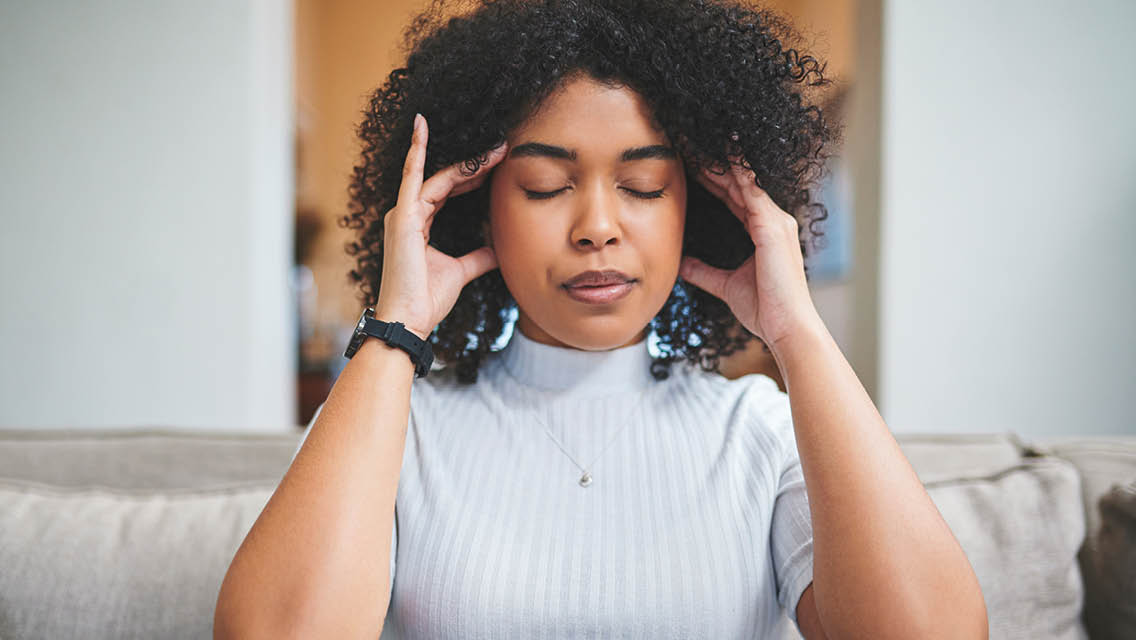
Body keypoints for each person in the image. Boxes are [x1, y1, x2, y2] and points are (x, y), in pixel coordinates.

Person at [215, 1, 988, 638]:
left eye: (645, 184)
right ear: (478, 208)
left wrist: (798, 335)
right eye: (548, 184)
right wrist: (397, 331)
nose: (597, 227)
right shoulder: (393, 428)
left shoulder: (760, 432)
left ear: (703, 203)